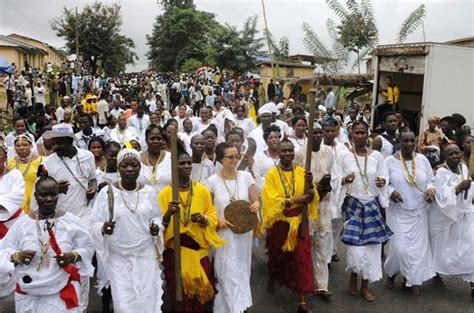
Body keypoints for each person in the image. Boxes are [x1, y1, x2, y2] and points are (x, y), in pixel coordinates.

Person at [90, 148, 164, 312]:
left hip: (146, 255)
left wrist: (156, 227)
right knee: (124, 304)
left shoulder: (149, 192)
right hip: (119, 258)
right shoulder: (106, 193)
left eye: (134, 165)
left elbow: (157, 217)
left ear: (139, 167)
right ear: (118, 167)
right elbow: (94, 222)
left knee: (147, 300)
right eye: (125, 165)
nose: (130, 169)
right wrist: (103, 228)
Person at [159, 149, 225, 311]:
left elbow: (213, 216)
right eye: (182, 163)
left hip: (199, 253)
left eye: (189, 163)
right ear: (175, 167)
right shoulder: (165, 194)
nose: (187, 166)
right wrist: (168, 214)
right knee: (180, 298)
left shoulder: (202, 191)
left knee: (200, 297)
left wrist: (204, 219)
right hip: (176, 254)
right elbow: (159, 224)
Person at [334, 121, 392, 302]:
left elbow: (384, 176)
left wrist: (382, 182)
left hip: (372, 205)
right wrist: (344, 179)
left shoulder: (377, 156)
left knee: (372, 248)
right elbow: (335, 178)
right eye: (356, 132)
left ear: (368, 134)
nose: (360, 136)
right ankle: (353, 275)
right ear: (351, 133)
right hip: (353, 205)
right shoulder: (344, 156)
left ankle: (365, 286)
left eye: (363, 133)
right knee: (355, 250)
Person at [262, 139, 321, 312]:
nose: (287, 154)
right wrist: (294, 200)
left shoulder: (303, 172)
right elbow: (270, 200)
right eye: (284, 151)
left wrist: (310, 187)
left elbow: (313, 197)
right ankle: (273, 277)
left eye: (290, 150)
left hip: (300, 223)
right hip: (281, 224)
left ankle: (302, 299)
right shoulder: (272, 174)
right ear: (278, 153)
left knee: (302, 259)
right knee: (278, 256)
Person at [206, 142, 260, 313]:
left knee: (241, 271)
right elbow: (207, 210)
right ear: (221, 159)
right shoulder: (212, 182)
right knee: (225, 272)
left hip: (243, 235)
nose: (235, 159)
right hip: (224, 235)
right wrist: (217, 221)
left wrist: (256, 205)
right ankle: (231, 308)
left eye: (237, 156)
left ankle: (237, 306)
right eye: (230, 157)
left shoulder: (246, 177)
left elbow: (255, 199)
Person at [384, 130, 436, 295]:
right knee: (399, 248)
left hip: (419, 211)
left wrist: (430, 190)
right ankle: (392, 273)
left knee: (417, 249)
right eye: (405, 141)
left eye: (411, 141)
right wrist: (391, 191)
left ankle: (412, 279)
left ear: (415, 142)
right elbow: (382, 183)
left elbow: (430, 180)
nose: (408, 144)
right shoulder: (389, 162)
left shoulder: (422, 160)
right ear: (399, 142)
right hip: (398, 211)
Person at [294, 122, 335, 299]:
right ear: (309, 134)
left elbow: (334, 173)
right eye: (315, 133)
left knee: (322, 245)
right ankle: (304, 284)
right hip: (307, 205)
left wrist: (327, 185)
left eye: (320, 133)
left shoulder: (329, 152)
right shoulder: (301, 153)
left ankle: (322, 286)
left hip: (324, 205)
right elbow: (296, 178)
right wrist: (311, 190)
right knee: (305, 246)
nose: (318, 136)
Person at [430, 144, 474, 299]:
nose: (455, 156)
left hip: (464, 216)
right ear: (445, 157)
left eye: (457, 152)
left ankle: (472, 283)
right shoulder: (441, 172)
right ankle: (437, 273)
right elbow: (440, 197)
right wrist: (458, 188)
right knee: (442, 250)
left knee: (470, 248)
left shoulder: (464, 168)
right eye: (451, 154)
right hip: (445, 218)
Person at [41, 123, 97, 222]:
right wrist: (54, 189)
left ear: (70, 141)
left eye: (59, 143)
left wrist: (93, 187)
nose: (55, 147)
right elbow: (40, 190)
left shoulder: (88, 156)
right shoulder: (47, 162)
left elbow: (92, 179)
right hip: (61, 218)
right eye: (53, 143)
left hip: (85, 215)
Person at [0, 141, 25, 297]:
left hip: (13, 225)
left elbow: (16, 197)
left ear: (5, 157)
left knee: (14, 262)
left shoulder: (15, 174)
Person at [7, 135, 44, 213]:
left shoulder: (41, 161)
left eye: (25, 145)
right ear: (14, 148)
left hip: (36, 201)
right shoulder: (10, 163)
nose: (21, 148)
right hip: (16, 202)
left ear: (30, 146)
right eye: (18, 145)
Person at [139, 125, 172, 195]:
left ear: (163, 140)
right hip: (144, 204)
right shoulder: (137, 159)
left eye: (159, 138)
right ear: (146, 140)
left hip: (167, 204)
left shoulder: (171, 158)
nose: (155, 141)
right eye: (152, 138)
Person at [252, 125, 281, 192]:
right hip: (265, 190)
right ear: (266, 141)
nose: (274, 140)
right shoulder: (258, 157)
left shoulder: (285, 155)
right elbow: (256, 177)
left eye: (276, 137)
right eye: (270, 138)